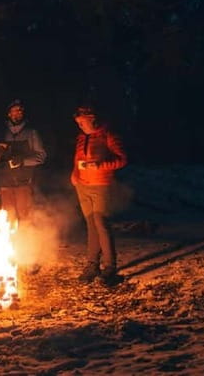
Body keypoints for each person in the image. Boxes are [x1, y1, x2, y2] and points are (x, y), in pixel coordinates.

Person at [71, 103, 127, 286]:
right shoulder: (81, 137)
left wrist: (99, 166)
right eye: (78, 123)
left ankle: (110, 267)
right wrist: (74, 175)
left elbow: (122, 159)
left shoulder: (108, 135)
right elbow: (77, 159)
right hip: (83, 186)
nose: (80, 126)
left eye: (82, 123)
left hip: (101, 185)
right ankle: (92, 265)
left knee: (101, 223)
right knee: (91, 225)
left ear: (92, 120)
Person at [0, 99, 47, 227]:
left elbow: (41, 156)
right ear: (8, 114)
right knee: (8, 218)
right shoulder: (1, 133)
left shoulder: (31, 133)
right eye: (14, 110)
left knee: (25, 217)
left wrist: (22, 161)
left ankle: (26, 243)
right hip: (5, 184)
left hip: (24, 182)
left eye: (20, 110)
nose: (17, 113)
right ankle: (11, 245)